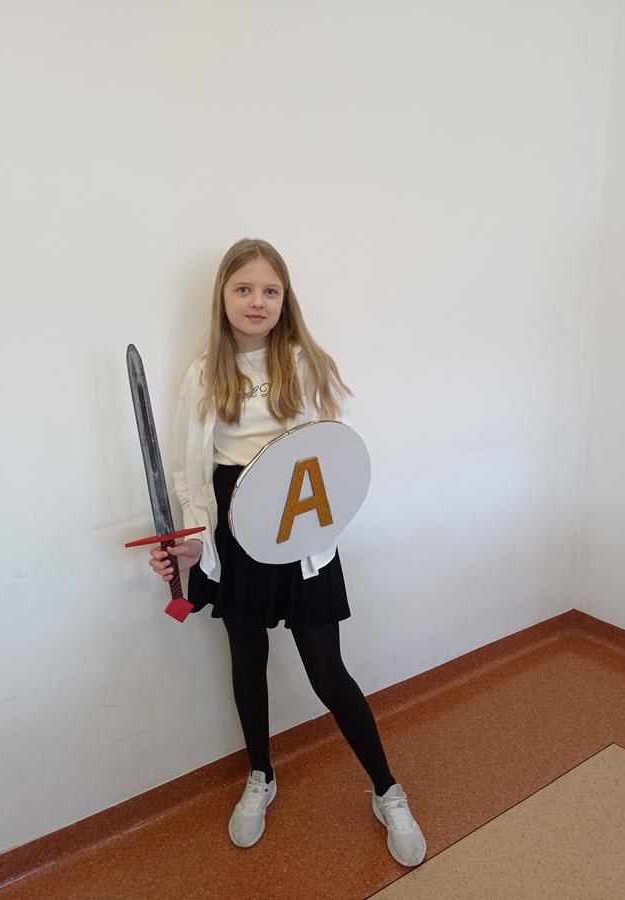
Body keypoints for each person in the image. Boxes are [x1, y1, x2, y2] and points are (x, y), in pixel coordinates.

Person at [148, 238, 426, 867]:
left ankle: (387, 789)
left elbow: (333, 457)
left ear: (285, 298)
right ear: (223, 296)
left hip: (300, 529)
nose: (257, 301)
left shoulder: (305, 362)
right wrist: (194, 543)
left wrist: (315, 523)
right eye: (244, 288)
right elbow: (190, 471)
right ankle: (261, 775)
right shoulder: (203, 372)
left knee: (327, 670)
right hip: (232, 528)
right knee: (247, 661)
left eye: (270, 290)